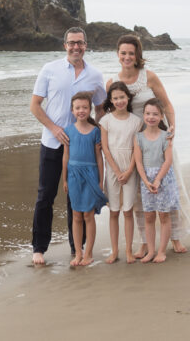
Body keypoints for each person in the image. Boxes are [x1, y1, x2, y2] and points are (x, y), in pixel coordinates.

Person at [105, 34, 190, 255]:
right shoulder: (112, 82)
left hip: (159, 138)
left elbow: (167, 105)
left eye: (131, 53)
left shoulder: (149, 77)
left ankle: (175, 237)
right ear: (117, 54)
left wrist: (172, 129)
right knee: (138, 194)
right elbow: (109, 113)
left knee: (169, 187)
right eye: (123, 53)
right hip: (134, 142)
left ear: (137, 55)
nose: (127, 57)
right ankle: (145, 241)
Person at [30, 27, 107, 265]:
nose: (76, 47)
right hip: (52, 143)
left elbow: (100, 108)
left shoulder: (95, 75)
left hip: (82, 149)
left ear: (86, 45)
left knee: (77, 199)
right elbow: (35, 105)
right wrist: (54, 129)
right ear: (65, 45)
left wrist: (97, 136)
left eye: (80, 43)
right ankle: (39, 248)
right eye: (72, 43)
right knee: (46, 196)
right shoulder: (49, 69)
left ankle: (77, 249)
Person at [98, 80, 143, 263]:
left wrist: (129, 170)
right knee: (114, 211)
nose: (119, 101)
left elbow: (136, 149)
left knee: (128, 211)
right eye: (115, 98)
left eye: (122, 97)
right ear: (110, 100)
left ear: (128, 97)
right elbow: (105, 148)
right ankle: (115, 251)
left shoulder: (136, 122)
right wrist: (117, 171)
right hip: (113, 169)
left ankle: (129, 251)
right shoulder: (105, 121)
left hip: (130, 168)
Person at [61, 91, 108, 266]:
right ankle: (78, 253)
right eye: (77, 108)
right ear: (72, 110)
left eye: (85, 107)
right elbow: (65, 156)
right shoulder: (68, 131)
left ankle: (88, 253)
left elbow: (99, 158)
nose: (81, 110)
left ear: (90, 109)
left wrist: (101, 180)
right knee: (76, 215)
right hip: (73, 175)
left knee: (88, 214)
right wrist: (64, 179)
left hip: (91, 174)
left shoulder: (95, 131)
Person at [133, 98, 179, 264]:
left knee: (164, 215)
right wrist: (146, 181)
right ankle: (151, 251)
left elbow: (168, 161)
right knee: (149, 216)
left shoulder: (165, 136)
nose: (151, 117)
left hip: (163, 179)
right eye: (147, 113)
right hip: (146, 180)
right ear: (143, 115)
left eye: (155, 114)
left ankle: (161, 251)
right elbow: (138, 162)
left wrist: (158, 179)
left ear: (161, 117)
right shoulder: (138, 137)